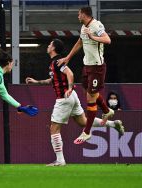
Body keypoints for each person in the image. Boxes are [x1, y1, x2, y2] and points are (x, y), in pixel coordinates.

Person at [26, 39, 124, 166]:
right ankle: (113, 124)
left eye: (50, 44)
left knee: (54, 129)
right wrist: (36, 82)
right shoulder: (53, 64)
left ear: (54, 48)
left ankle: (60, 160)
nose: (48, 46)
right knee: (83, 122)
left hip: (64, 98)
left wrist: (70, 87)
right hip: (72, 97)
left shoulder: (57, 62)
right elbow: (51, 80)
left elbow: (70, 74)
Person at [57, 6, 113, 144]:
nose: (78, 17)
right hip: (87, 66)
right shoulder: (84, 27)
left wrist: (92, 36)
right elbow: (80, 42)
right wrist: (68, 58)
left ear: (84, 14)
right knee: (88, 92)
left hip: (97, 66)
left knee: (90, 97)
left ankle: (87, 132)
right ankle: (106, 111)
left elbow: (107, 40)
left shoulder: (96, 25)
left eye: (79, 14)